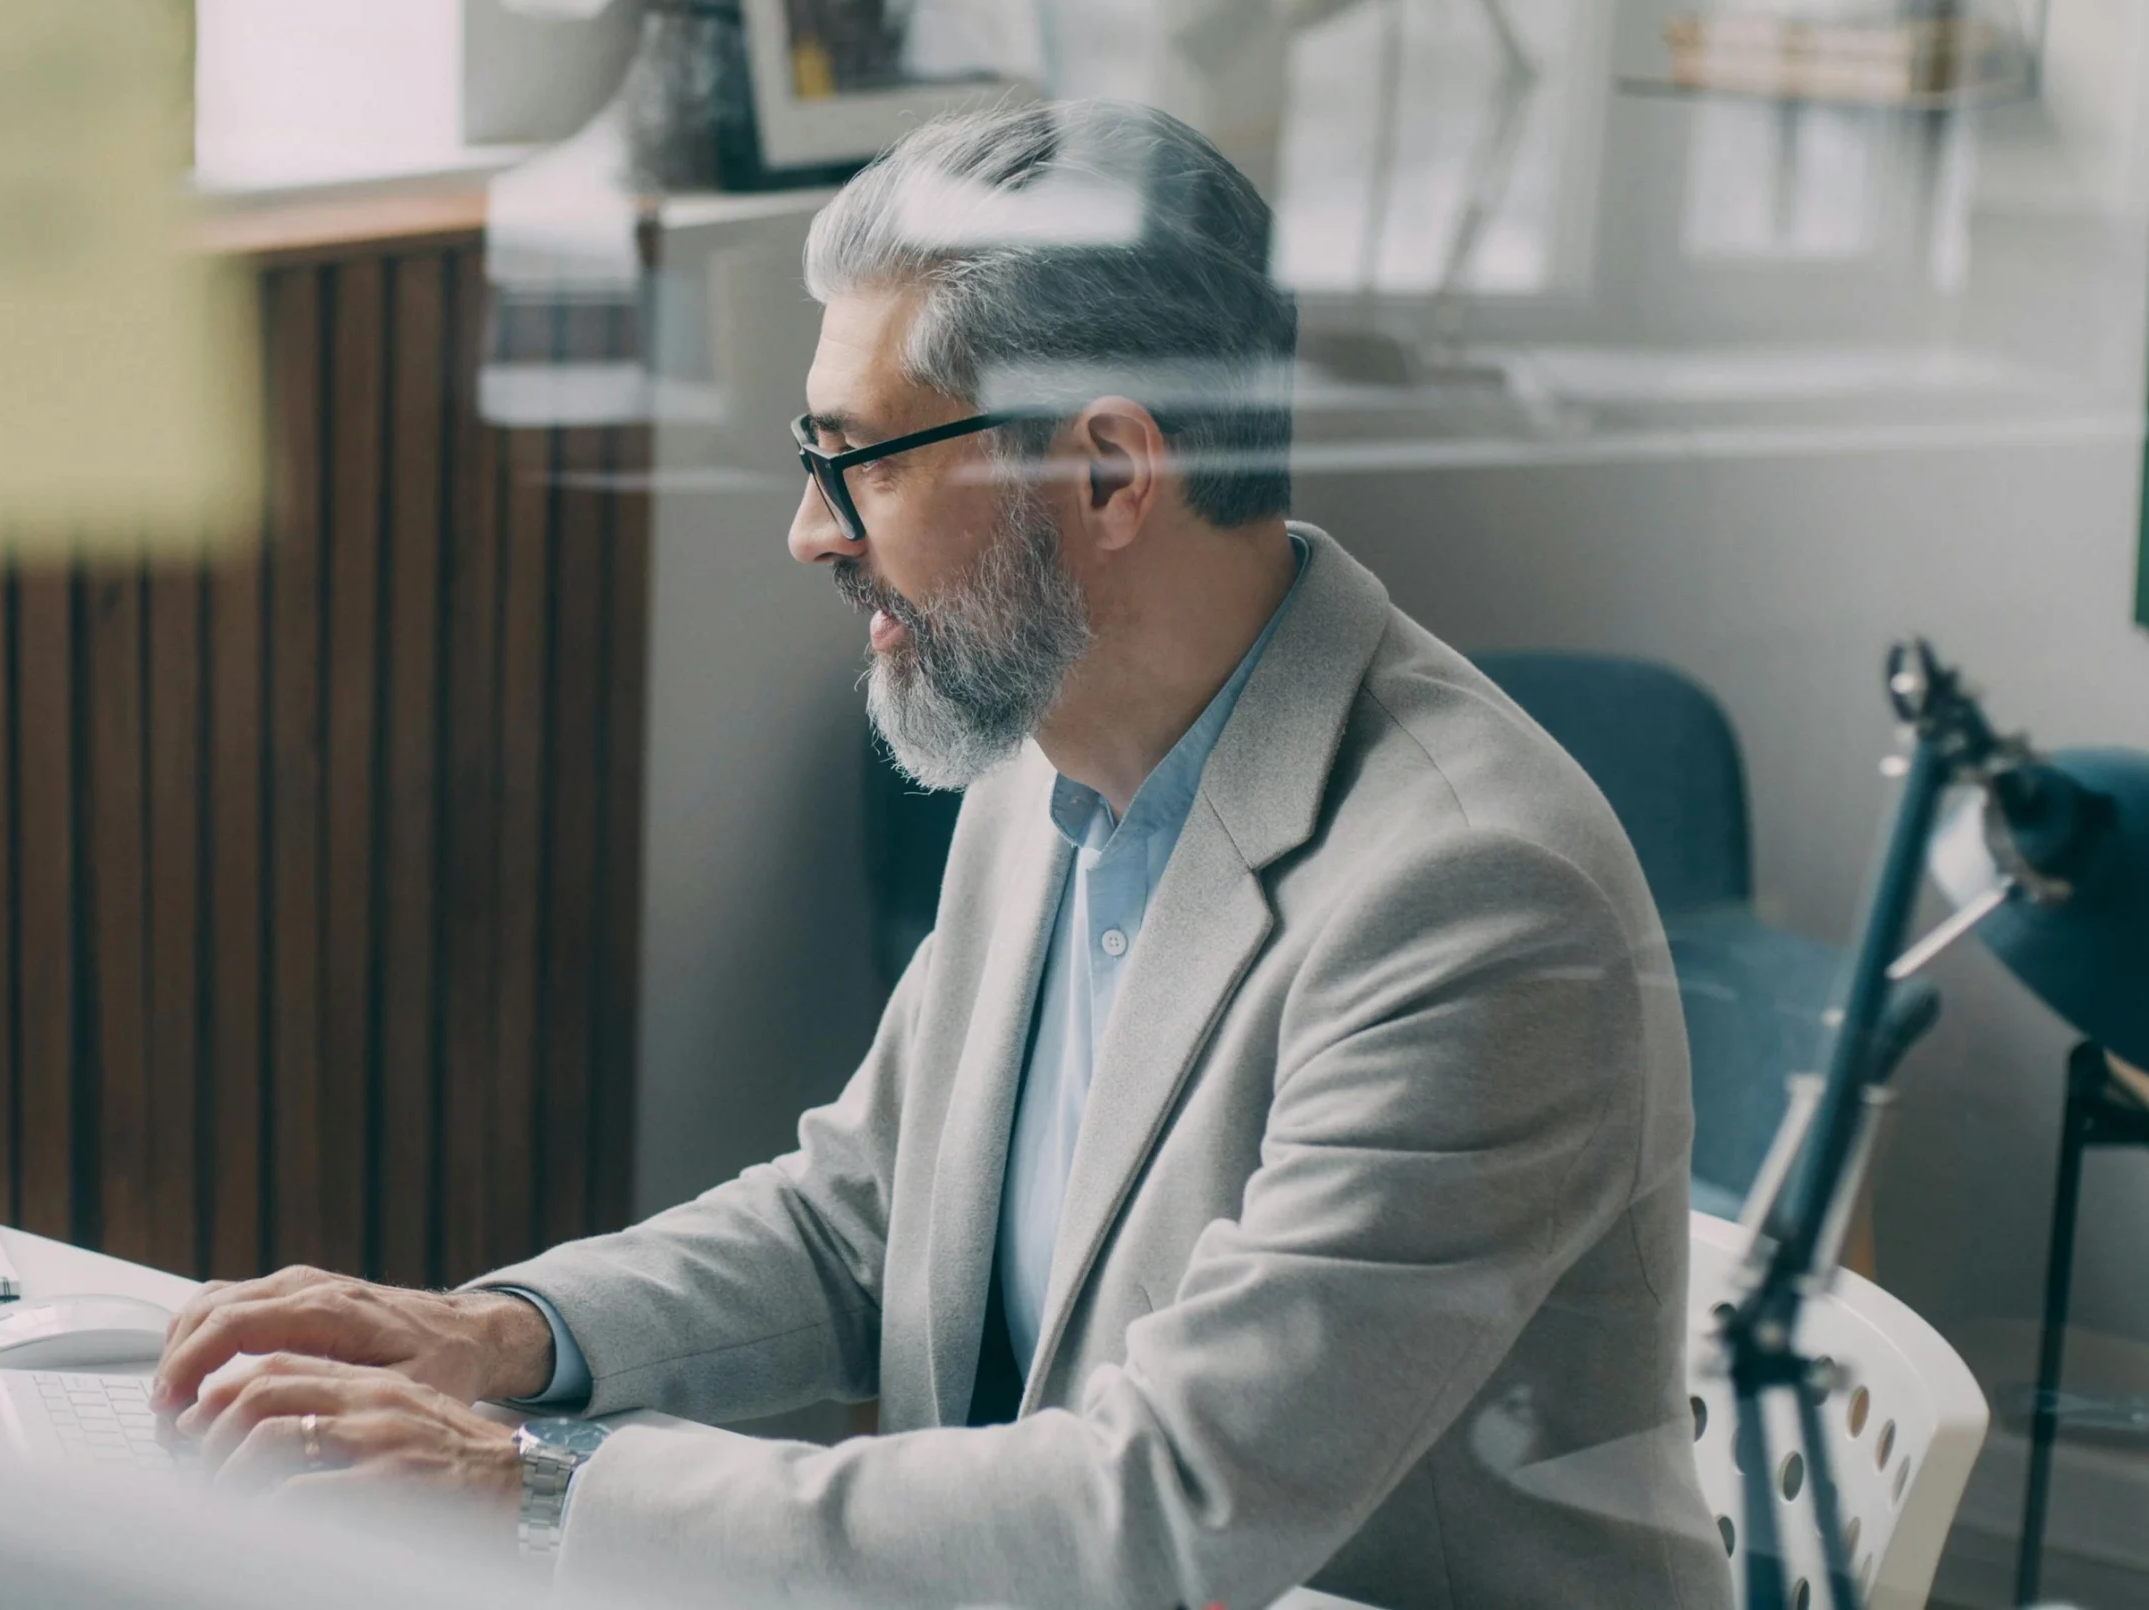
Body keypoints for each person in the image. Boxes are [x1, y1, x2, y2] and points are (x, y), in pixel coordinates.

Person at [152, 99, 1733, 1610]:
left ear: (1109, 472)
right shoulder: (1045, 735)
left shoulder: (1466, 902)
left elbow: (1171, 1505)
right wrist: (493, 1334)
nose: (812, 531)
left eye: (871, 462)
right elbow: (862, 1216)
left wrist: (536, 1483)